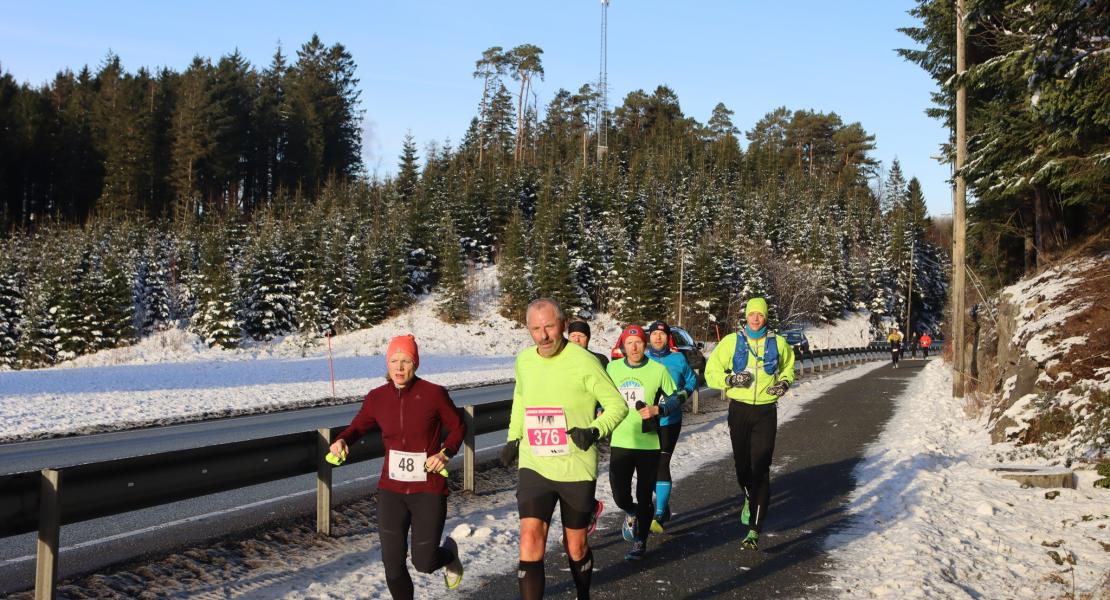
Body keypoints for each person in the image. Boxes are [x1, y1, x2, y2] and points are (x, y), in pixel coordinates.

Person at [501, 299, 628, 600]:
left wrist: (594, 431)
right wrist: (513, 438)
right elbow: (521, 399)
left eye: (549, 327)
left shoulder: (584, 361)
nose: (543, 336)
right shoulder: (524, 361)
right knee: (530, 539)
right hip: (535, 463)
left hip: (575, 465)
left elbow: (617, 405)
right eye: (536, 329)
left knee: (576, 546)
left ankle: (583, 593)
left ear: (563, 325)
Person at [329, 334, 466, 599]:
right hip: (391, 489)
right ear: (387, 363)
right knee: (392, 564)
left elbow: (458, 427)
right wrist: (342, 440)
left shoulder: (434, 394)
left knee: (424, 562)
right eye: (394, 361)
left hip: (428, 488)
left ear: (416, 364)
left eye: (406, 361)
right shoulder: (376, 398)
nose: (399, 367)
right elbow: (357, 427)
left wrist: (445, 453)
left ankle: (449, 554)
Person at [704, 297, 795, 551]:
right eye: (752, 314)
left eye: (760, 314)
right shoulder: (731, 342)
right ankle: (747, 494)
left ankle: (754, 529)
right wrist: (731, 380)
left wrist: (783, 383)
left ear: (766, 317)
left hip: (766, 411)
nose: (756, 318)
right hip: (739, 410)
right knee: (742, 467)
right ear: (746, 316)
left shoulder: (778, 343)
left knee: (761, 467)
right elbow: (711, 372)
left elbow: (789, 368)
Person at [605, 324, 680, 560]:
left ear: (644, 344)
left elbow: (675, 396)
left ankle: (640, 541)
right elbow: (600, 395)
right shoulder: (612, 368)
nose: (634, 347)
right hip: (621, 440)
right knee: (620, 495)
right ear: (623, 346)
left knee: (645, 495)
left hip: (648, 443)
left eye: (638, 342)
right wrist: (599, 409)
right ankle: (631, 511)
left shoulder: (658, 370)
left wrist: (659, 409)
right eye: (629, 343)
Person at [643, 320, 697, 533]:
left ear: (668, 337)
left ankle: (658, 514)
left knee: (662, 463)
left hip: (670, 420)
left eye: (662, 334)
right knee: (649, 467)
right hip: (646, 421)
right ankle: (662, 505)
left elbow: (691, 380)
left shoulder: (678, 359)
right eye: (654, 334)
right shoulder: (643, 359)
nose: (658, 337)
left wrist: (682, 395)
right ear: (649, 337)